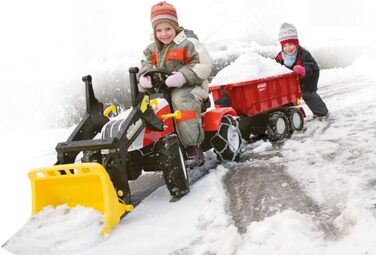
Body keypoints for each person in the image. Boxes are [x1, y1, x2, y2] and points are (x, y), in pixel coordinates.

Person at [138, 1, 212, 167]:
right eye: (159, 30)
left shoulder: (189, 43)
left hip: (191, 88)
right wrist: (144, 76)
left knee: (180, 100)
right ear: (154, 30)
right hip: (163, 89)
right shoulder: (151, 49)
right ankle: (147, 143)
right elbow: (146, 64)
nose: (163, 34)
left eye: (168, 29)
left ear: (176, 27)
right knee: (146, 103)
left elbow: (204, 64)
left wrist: (183, 76)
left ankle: (192, 147)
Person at [275, 23, 329, 119]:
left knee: (307, 94)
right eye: (285, 46)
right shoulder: (281, 56)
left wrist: (304, 70)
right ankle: (288, 116)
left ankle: (321, 113)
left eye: (291, 44)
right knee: (285, 97)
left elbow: (311, 66)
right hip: (291, 81)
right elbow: (275, 65)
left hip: (308, 79)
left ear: (296, 43)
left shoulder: (303, 54)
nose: (288, 48)